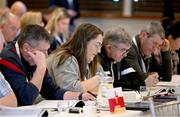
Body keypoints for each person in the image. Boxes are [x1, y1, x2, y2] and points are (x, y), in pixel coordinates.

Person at [0, 24, 95, 106]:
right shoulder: (8, 59)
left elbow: (52, 91)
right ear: (26, 48)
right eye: (43, 51)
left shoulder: (33, 58)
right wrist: (41, 68)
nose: (46, 55)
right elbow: (26, 99)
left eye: (47, 50)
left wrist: (80, 96)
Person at [47, 23, 103, 92]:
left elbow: (102, 87)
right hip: (42, 102)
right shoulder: (65, 58)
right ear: (84, 42)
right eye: (97, 45)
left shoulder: (89, 59)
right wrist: (99, 78)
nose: (99, 51)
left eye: (100, 46)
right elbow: (70, 90)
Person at [122, 22, 172, 87]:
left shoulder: (147, 50)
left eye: (158, 45)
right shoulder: (129, 48)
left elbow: (166, 78)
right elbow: (138, 77)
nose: (155, 48)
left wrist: (165, 52)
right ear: (143, 35)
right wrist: (148, 75)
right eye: (154, 43)